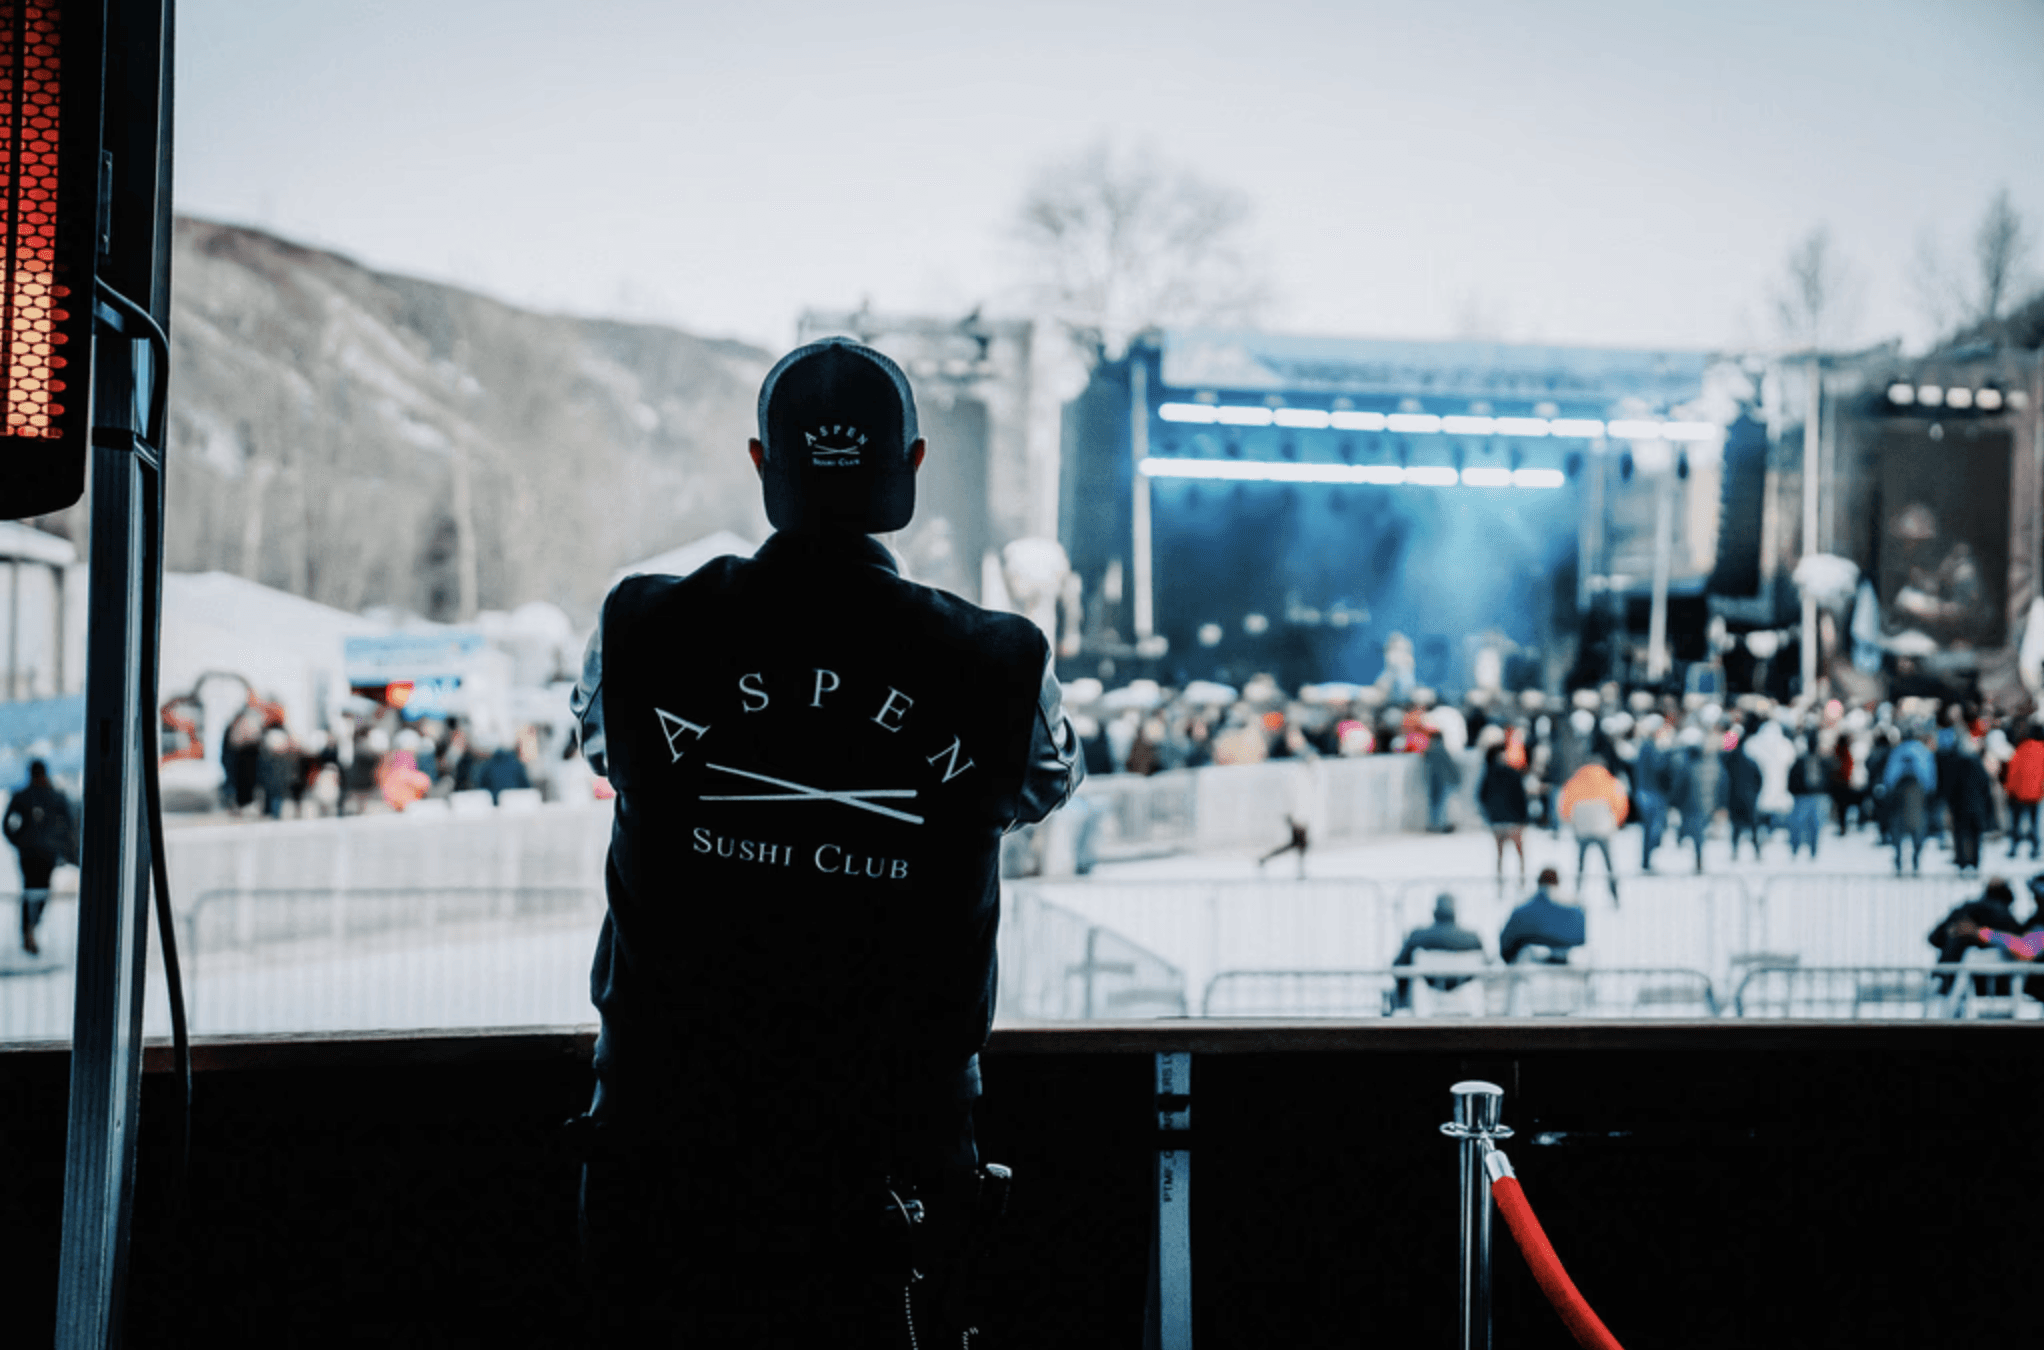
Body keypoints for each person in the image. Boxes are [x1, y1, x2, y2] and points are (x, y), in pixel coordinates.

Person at [567, 337, 1083, 1344]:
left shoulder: (640, 626)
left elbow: (605, 748)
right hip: (889, 1164)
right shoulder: (999, 662)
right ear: (915, 467)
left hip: (666, 1150)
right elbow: (1040, 786)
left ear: (762, 465)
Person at [3, 760, 75, 956]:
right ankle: (29, 931)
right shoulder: (49, 795)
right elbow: (68, 825)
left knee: (34, 891)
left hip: (35, 853)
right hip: (41, 853)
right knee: (37, 891)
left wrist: (19, 841)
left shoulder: (28, 796)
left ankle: (29, 931)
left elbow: (67, 824)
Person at [1392, 893, 1486, 1008]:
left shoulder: (1418, 936)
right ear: (1455, 912)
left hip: (1426, 1001)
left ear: (1434, 912)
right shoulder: (1473, 939)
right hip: (1465, 1001)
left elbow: (1399, 966)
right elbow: (1485, 967)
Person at [1559, 757, 1627, 905]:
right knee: (1609, 865)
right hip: (1603, 829)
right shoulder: (1609, 781)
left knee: (1581, 866)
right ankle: (1615, 896)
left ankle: (1577, 894)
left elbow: (1564, 808)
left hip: (1582, 830)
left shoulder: (1575, 781)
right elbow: (1621, 804)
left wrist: (1574, 823)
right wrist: (1615, 823)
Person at [1500, 868, 1587, 965]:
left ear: (1538, 882)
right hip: (1569, 969)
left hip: (1529, 970)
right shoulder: (1576, 911)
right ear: (1557, 883)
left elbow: (1505, 945)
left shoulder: (1523, 912)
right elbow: (1582, 940)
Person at [1884, 727, 1938, 875]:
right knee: (1918, 827)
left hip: (1898, 795)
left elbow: (1889, 775)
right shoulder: (1923, 751)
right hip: (1918, 795)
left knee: (1897, 828)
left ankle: (1899, 859)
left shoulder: (1897, 750)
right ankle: (1915, 858)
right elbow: (1930, 777)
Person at [1476, 744, 1529, 882]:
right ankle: (1521, 879)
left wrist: (1490, 815)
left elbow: (1482, 796)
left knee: (1500, 854)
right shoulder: (1513, 773)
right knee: (1519, 853)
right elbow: (1521, 798)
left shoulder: (1488, 774)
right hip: (1514, 821)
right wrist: (1523, 819)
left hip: (1497, 821)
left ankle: (1500, 881)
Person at [1945, 734, 1995, 874]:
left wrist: (1952, 806)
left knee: (1961, 835)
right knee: (1975, 837)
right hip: (1977, 808)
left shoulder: (1955, 766)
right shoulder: (1979, 766)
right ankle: (1974, 862)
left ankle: (1963, 862)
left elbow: (1951, 789)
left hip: (1960, 809)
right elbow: (1986, 789)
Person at [1786, 732, 1829, 860]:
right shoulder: (1802, 761)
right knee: (1799, 825)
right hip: (1804, 797)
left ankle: (1812, 851)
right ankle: (1796, 849)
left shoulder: (1822, 761)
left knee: (1814, 826)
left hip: (1815, 796)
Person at [2005, 726, 2044, 860]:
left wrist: (2010, 790)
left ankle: (2013, 848)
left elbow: (2013, 772)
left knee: (2016, 822)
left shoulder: (2021, 749)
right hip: (2035, 794)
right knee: (2034, 823)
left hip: (2019, 794)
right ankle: (2035, 848)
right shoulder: (2042, 750)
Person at [1423, 723, 1462, 833]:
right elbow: (1450, 765)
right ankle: (1439, 824)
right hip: (1443, 780)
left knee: (1436, 803)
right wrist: (1456, 778)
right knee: (1441, 804)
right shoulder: (1440, 749)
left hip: (1435, 780)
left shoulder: (1432, 750)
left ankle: (1435, 824)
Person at [1259, 814, 1310, 878]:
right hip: (1297, 844)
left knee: (1300, 860)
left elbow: (1301, 836)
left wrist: (1300, 846)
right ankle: (1264, 859)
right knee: (1299, 860)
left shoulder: (1296, 827)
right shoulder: (1296, 827)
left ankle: (1264, 859)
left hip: (1299, 845)